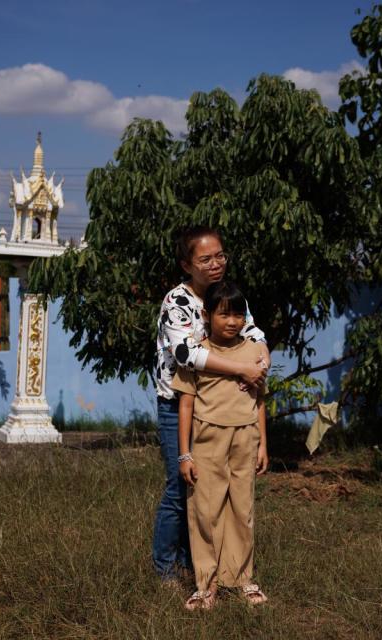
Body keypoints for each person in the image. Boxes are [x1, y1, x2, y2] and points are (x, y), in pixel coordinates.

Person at [153, 226, 269, 583]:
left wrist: (260, 363)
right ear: (187, 264)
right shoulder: (178, 301)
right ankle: (166, 568)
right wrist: (241, 368)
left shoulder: (227, 297)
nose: (215, 263)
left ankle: (202, 565)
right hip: (180, 404)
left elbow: (255, 335)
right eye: (205, 259)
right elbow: (187, 353)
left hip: (224, 408)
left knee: (212, 490)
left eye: (220, 255)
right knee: (181, 483)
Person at [172, 280, 269, 610]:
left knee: (243, 510)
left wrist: (262, 444)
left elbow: (259, 402)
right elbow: (186, 404)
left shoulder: (255, 352)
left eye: (238, 314)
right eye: (224, 314)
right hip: (207, 441)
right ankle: (206, 583)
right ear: (206, 314)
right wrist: (184, 453)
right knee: (205, 510)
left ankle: (242, 578)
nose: (232, 321)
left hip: (245, 439)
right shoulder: (198, 355)